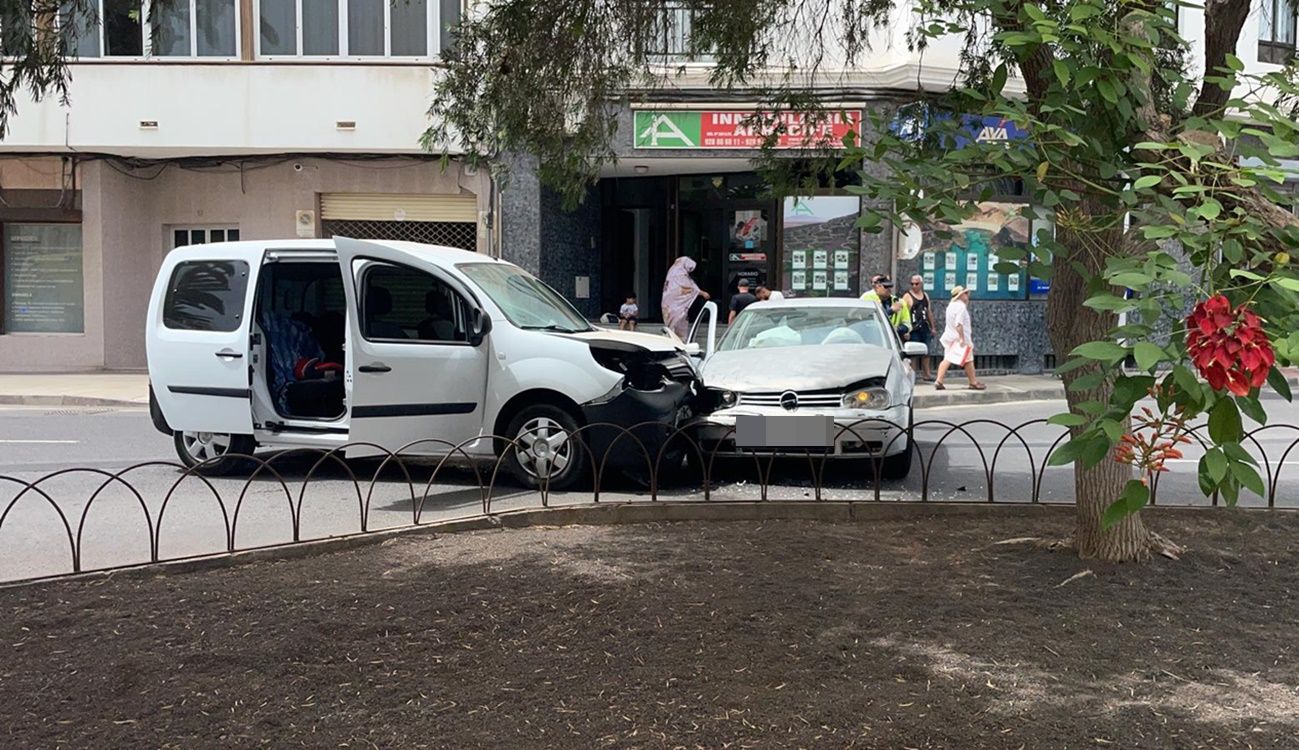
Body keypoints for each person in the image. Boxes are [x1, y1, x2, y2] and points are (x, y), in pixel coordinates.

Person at [935, 286, 985, 390]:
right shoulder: (961, 307)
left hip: (950, 336)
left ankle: (939, 380)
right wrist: (962, 338)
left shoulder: (951, 306)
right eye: (965, 293)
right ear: (961, 295)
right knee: (968, 360)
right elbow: (959, 324)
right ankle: (973, 382)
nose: (967, 295)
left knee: (947, 358)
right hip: (960, 339)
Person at [661, 256, 710, 340]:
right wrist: (702, 293)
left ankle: (672, 336)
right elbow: (688, 287)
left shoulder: (673, 271)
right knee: (678, 319)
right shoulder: (680, 274)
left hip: (668, 302)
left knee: (673, 319)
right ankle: (677, 339)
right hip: (676, 304)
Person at [902, 274, 934, 381]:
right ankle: (913, 374)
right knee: (913, 353)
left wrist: (933, 327)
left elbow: (929, 312)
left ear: (921, 284)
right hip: (913, 327)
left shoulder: (925, 295)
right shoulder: (907, 296)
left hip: (924, 326)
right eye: (912, 284)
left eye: (916, 284)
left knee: (927, 351)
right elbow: (903, 312)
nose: (914, 286)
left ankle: (927, 374)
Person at [860, 274, 912, 340]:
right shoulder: (867, 298)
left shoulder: (899, 302)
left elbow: (908, 324)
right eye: (886, 287)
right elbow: (867, 320)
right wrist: (891, 311)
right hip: (872, 338)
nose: (888, 289)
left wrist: (898, 329)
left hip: (893, 340)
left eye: (890, 286)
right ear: (877, 287)